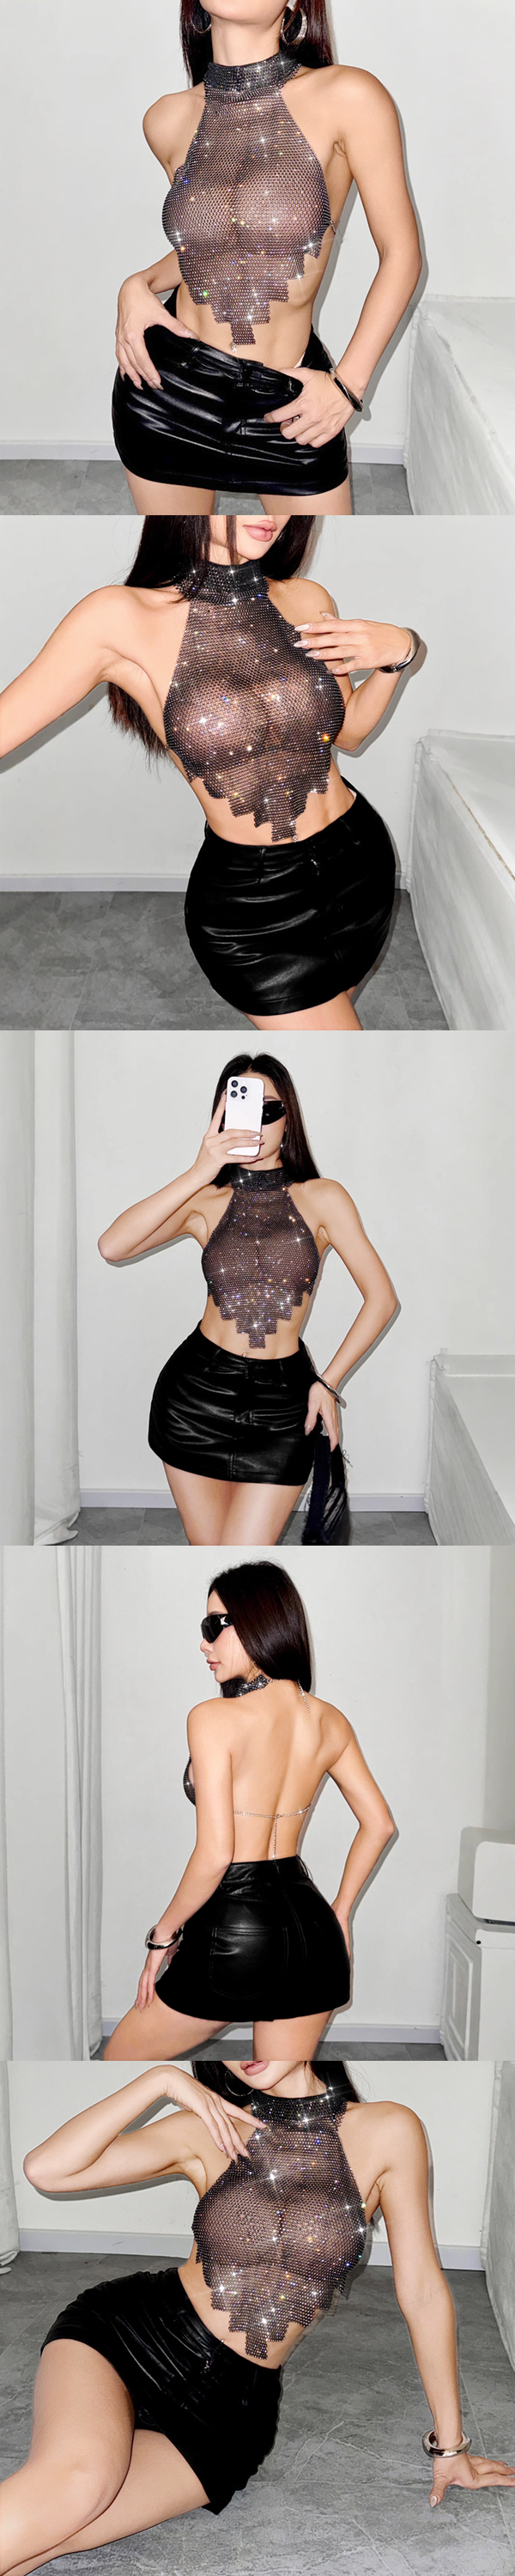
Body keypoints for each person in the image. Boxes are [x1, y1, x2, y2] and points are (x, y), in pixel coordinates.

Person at [3, 2057, 512, 2567]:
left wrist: (451, 2447)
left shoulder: (388, 2129)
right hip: (126, 2338)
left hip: (229, 2408)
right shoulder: (209, 2126)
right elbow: (47, 2169)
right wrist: (160, 2080)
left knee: (59, 2534)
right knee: (76, 2487)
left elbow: (422, 2293)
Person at [0, 514, 421, 1033]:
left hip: (360, 864)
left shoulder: (307, 598)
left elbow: (349, 733)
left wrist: (398, 654)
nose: (272, 513)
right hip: (256, 910)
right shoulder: (117, 617)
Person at [112, 0, 422, 513]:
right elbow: (213, 246)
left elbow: (402, 254)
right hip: (166, 391)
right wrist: (138, 283)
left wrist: (347, 385)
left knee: (326, 560)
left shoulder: (349, 96)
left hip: (288, 399)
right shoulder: (165, 118)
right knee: (181, 558)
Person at [98, 1051, 397, 1543]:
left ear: (289, 1118)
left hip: (284, 1404)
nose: (255, 1124)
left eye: (268, 1109)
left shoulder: (323, 1197)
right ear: (220, 1117)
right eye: (241, 1109)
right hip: (194, 1397)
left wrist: (328, 1383)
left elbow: (381, 1298)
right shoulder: (205, 1200)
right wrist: (199, 1170)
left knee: (245, 1551)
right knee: (210, 1554)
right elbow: (113, 1246)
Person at [104, 1557, 395, 2058]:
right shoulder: (330, 1720)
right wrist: (341, 1911)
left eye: (214, 1626)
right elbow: (380, 1824)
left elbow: (217, 1854)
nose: (204, 1643)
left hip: (235, 1927)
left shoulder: (212, 1717)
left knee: (116, 2063)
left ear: (259, 1621)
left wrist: (162, 1936)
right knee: (278, 2087)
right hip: (314, 1932)